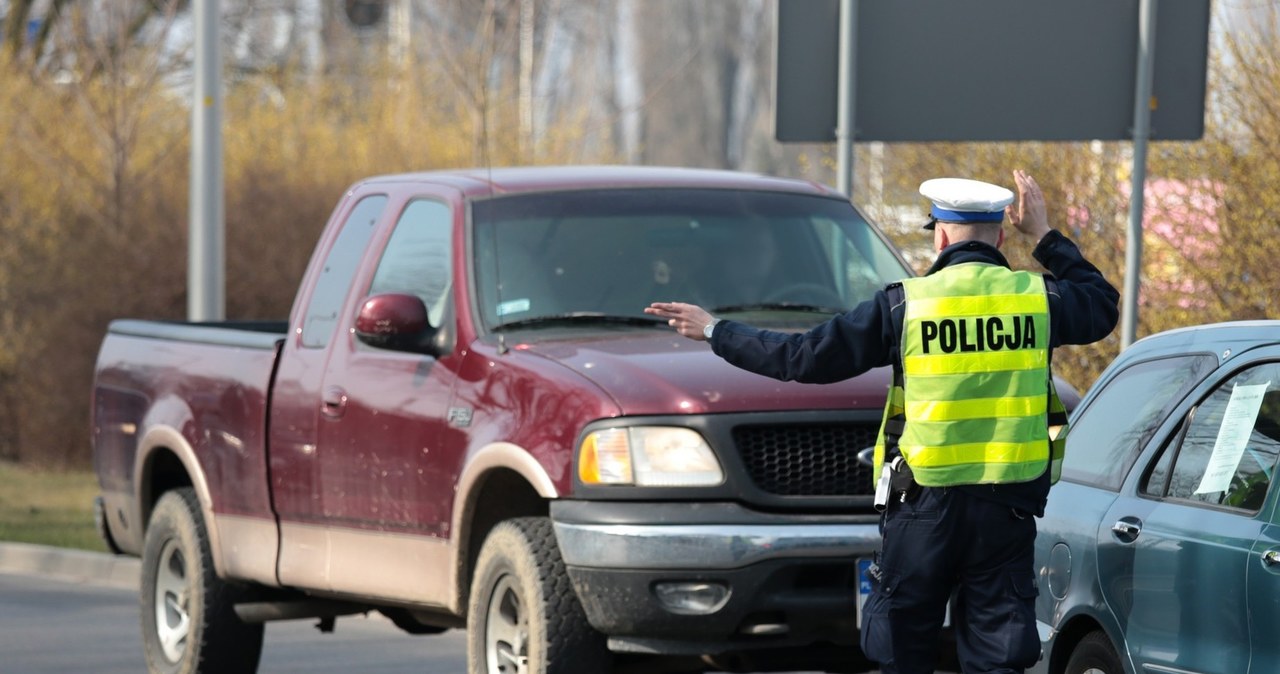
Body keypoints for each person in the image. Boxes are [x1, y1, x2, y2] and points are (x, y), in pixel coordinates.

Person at [645, 170, 1120, 674]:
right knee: (998, 659)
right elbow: (1103, 305)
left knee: (901, 651)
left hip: (924, 509)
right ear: (1001, 236)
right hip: (1005, 511)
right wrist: (1044, 236)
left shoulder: (905, 305)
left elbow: (801, 358)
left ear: (939, 234)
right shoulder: (1039, 299)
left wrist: (717, 331)